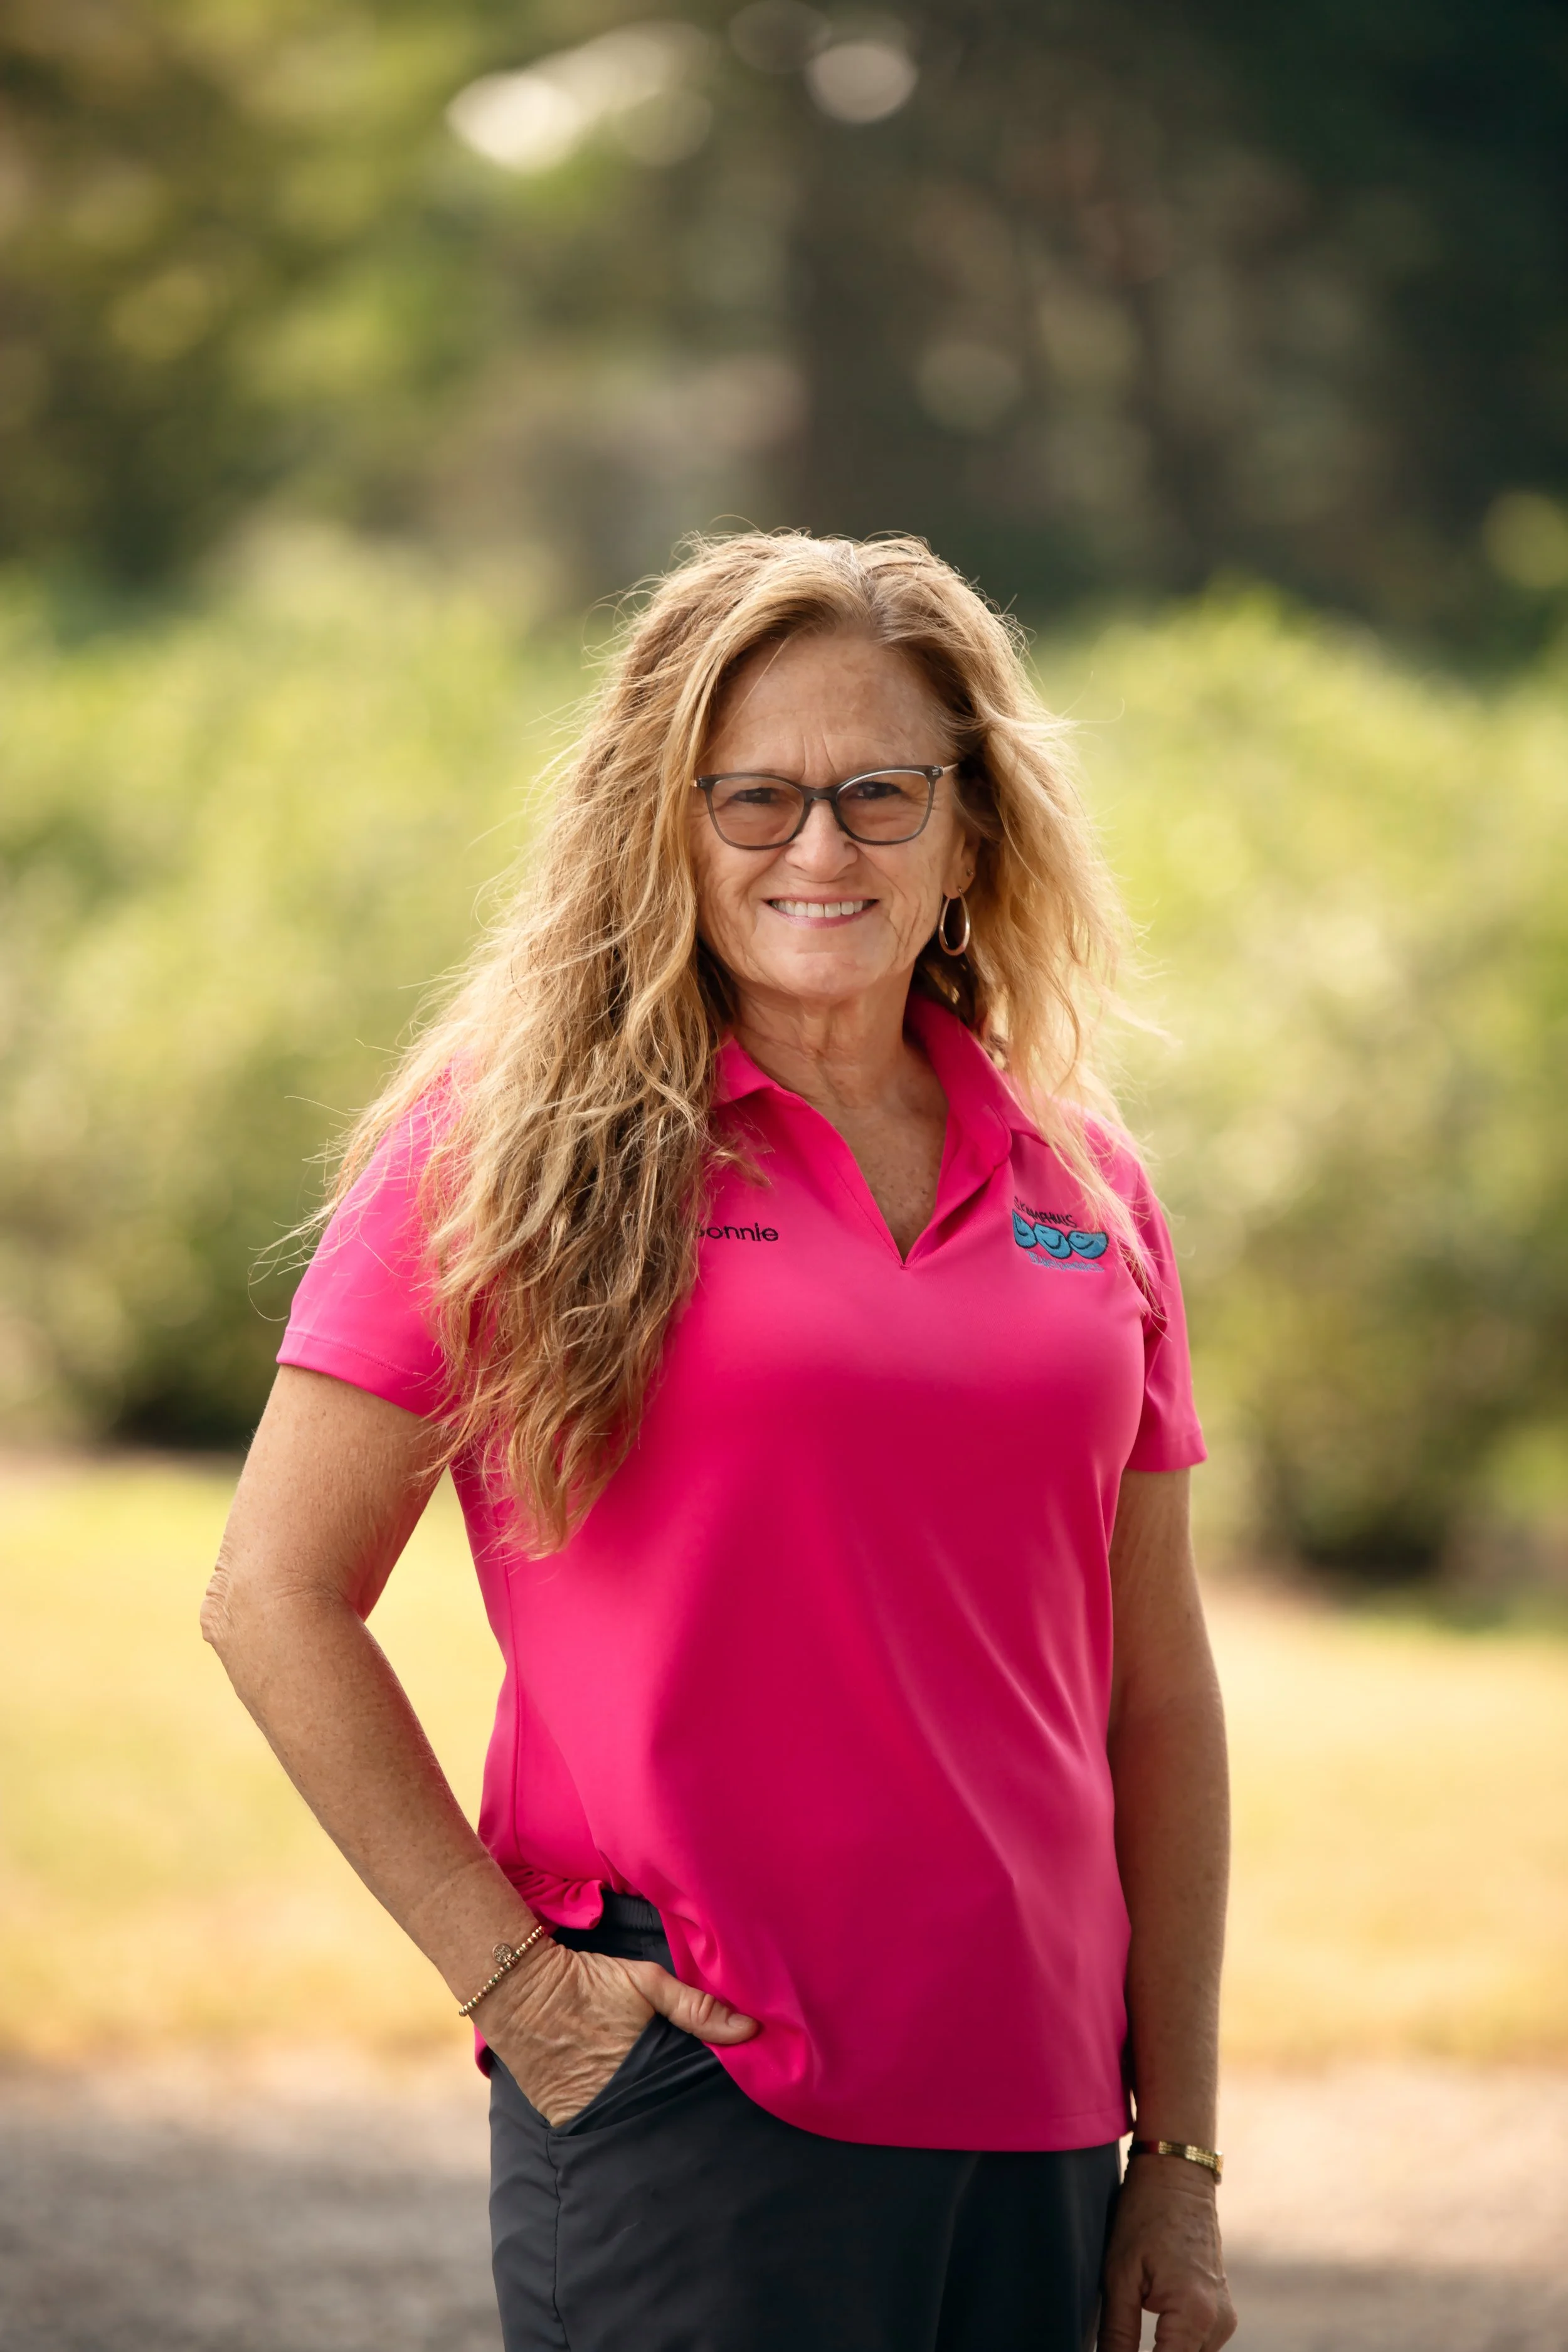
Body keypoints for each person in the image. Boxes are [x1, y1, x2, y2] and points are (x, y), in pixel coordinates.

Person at [204, 531, 1235, 2352]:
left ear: (969, 827)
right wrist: (519, 1987)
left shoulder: (1090, 1181)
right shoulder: (505, 1148)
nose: (816, 849)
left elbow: (1153, 1690)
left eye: (875, 793)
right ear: (660, 825)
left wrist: (1182, 2151)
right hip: (703, 2096)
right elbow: (272, 1595)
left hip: (1046, 2115)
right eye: (749, 797)